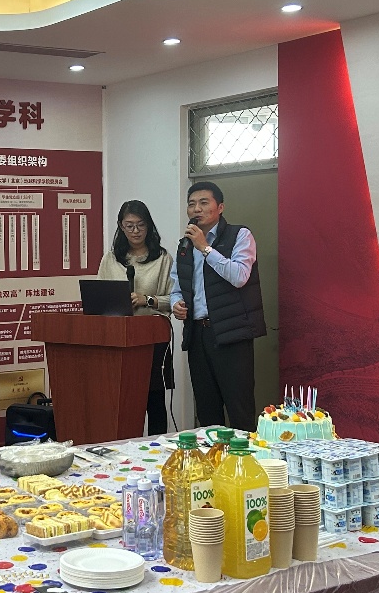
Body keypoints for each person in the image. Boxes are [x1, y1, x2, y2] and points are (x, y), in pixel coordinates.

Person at [169, 181, 266, 431]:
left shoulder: (240, 235)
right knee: (207, 411)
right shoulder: (184, 246)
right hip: (198, 336)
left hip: (232, 335)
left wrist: (205, 247)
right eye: (192, 204)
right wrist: (176, 304)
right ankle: (213, 455)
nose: (196, 209)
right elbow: (177, 287)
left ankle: (244, 456)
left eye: (204, 203)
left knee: (239, 409)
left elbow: (239, 276)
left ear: (220, 207)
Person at [96, 200, 173, 435]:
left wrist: (147, 300)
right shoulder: (111, 259)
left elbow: (174, 299)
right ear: (121, 226)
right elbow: (98, 297)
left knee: (154, 400)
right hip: (117, 340)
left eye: (141, 225)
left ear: (149, 225)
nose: (136, 231)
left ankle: (158, 447)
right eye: (129, 226)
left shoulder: (162, 258)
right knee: (123, 402)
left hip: (151, 340)